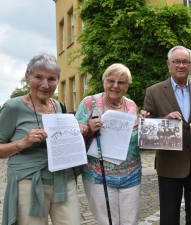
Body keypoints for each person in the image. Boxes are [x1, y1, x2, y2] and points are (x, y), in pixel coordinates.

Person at [0, 52, 84, 225]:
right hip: (29, 182)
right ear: (27, 78)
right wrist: (23, 143)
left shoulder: (60, 107)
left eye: (51, 79)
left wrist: (77, 132)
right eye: (38, 77)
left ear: (57, 82)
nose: (45, 84)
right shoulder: (13, 107)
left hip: (63, 180)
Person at [141, 45, 191, 225]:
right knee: (169, 217)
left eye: (185, 62)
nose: (181, 65)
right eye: (177, 62)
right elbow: (147, 124)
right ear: (169, 64)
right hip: (169, 164)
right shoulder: (154, 91)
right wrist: (164, 120)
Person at [75, 63, 142, 225]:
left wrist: (144, 127)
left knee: (129, 222)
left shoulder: (132, 106)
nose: (115, 86)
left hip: (131, 174)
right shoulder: (89, 103)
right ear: (103, 81)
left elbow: (136, 137)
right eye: (111, 80)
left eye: (121, 82)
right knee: (107, 221)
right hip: (98, 175)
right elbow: (73, 138)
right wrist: (89, 130)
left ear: (128, 85)